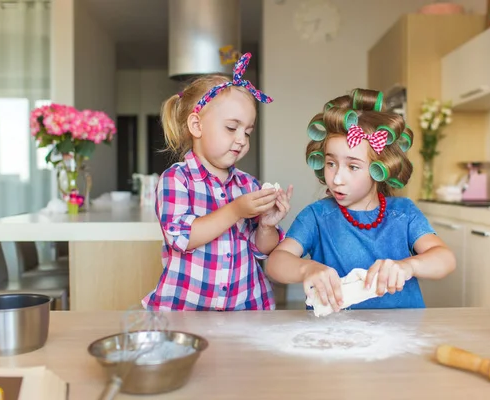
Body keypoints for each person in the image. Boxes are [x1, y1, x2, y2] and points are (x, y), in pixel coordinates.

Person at [266, 88, 455, 313]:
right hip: (335, 335)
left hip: (403, 333)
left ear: (380, 169)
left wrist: (408, 266)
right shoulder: (317, 216)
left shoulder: (404, 213)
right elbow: (275, 262)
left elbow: (445, 259)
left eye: (353, 166)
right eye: (331, 163)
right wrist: (306, 269)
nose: (336, 178)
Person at [142, 53, 293, 311]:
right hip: (188, 311)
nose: (242, 139)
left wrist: (266, 226)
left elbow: (263, 250)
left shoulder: (248, 185)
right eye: (231, 128)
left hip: (246, 308)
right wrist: (236, 210)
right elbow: (182, 238)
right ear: (196, 125)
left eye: (247, 132)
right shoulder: (177, 180)